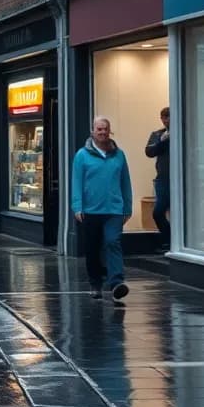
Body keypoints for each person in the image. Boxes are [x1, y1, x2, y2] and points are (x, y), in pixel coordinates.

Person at [71, 117, 133, 302]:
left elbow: (125, 182)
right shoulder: (82, 155)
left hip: (113, 209)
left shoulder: (119, 155)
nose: (103, 132)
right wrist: (77, 206)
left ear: (109, 131)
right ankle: (95, 283)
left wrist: (127, 207)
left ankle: (116, 283)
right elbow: (76, 182)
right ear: (92, 132)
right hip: (90, 210)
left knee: (113, 242)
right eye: (99, 129)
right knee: (92, 248)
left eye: (105, 129)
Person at [144, 106, 172, 253]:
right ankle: (169, 239)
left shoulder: (182, 132)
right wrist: (162, 141)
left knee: (179, 212)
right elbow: (149, 152)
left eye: (169, 116)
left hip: (179, 180)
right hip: (162, 179)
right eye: (164, 117)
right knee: (158, 212)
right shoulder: (157, 134)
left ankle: (175, 242)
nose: (167, 120)